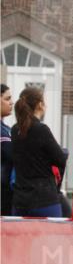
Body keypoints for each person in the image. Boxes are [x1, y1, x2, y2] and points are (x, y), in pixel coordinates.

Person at [10, 87, 67, 218]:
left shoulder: (14, 130)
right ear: (40, 105)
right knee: (52, 237)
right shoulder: (41, 129)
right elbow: (60, 159)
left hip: (20, 201)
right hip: (45, 200)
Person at [1, 84, 14, 215]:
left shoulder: (6, 128)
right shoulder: (2, 131)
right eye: (7, 98)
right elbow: (11, 154)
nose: (11, 102)